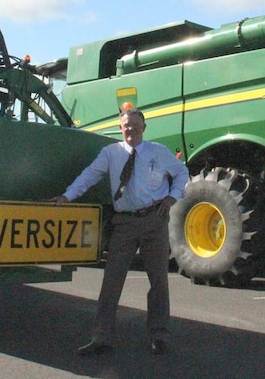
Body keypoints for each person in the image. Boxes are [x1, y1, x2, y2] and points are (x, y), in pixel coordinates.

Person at [55, 107, 188, 356]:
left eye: (135, 126)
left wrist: (172, 197)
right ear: (120, 128)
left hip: (154, 221)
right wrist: (67, 196)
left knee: (158, 281)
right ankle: (101, 338)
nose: (131, 130)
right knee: (111, 282)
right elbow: (89, 176)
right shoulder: (111, 153)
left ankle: (159, 336)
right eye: (127, 126)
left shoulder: (158, 152)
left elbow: (182, 172)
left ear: (144, 129)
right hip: (124, 224)